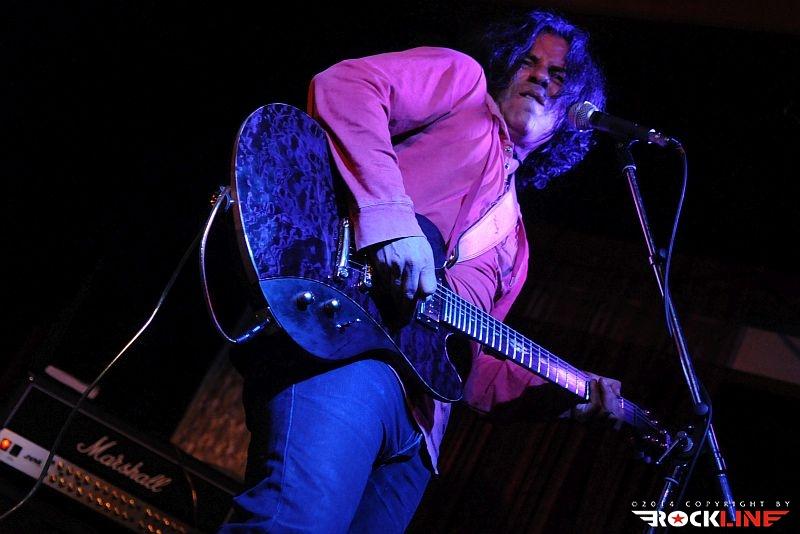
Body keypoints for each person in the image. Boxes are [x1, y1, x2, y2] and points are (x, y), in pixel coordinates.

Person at [221, 9, 623, 533]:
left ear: (573, 112)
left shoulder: (518, 247)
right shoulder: (463, 85)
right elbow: (346, 85)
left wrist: (563, 393)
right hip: (347, 349)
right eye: (529, 62)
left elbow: (474, 374)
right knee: (292, 524)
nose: (541, 77)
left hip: (419, 440)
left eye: (560, 75)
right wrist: (389, 218)